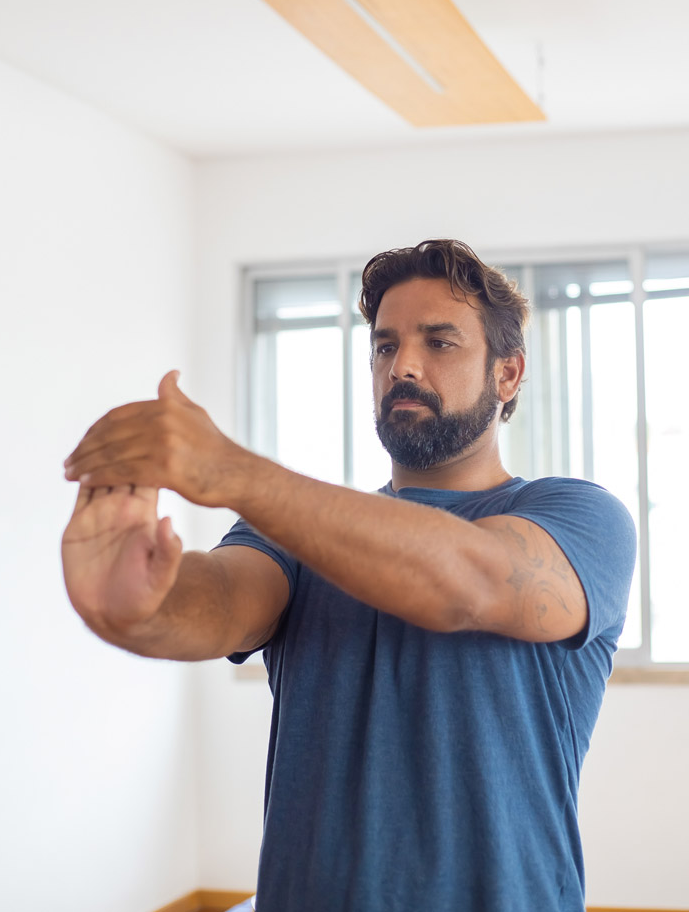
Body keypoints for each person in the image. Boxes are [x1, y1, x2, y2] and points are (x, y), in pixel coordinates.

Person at [62, 239, 636, 912]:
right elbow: (222, 601)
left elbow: (466, 582)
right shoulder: (298, 528)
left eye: (440, 343)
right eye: (385, 346)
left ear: (507, 376)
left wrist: (231, 472)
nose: (404, 367)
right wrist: (136, 606)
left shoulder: (579, 517)